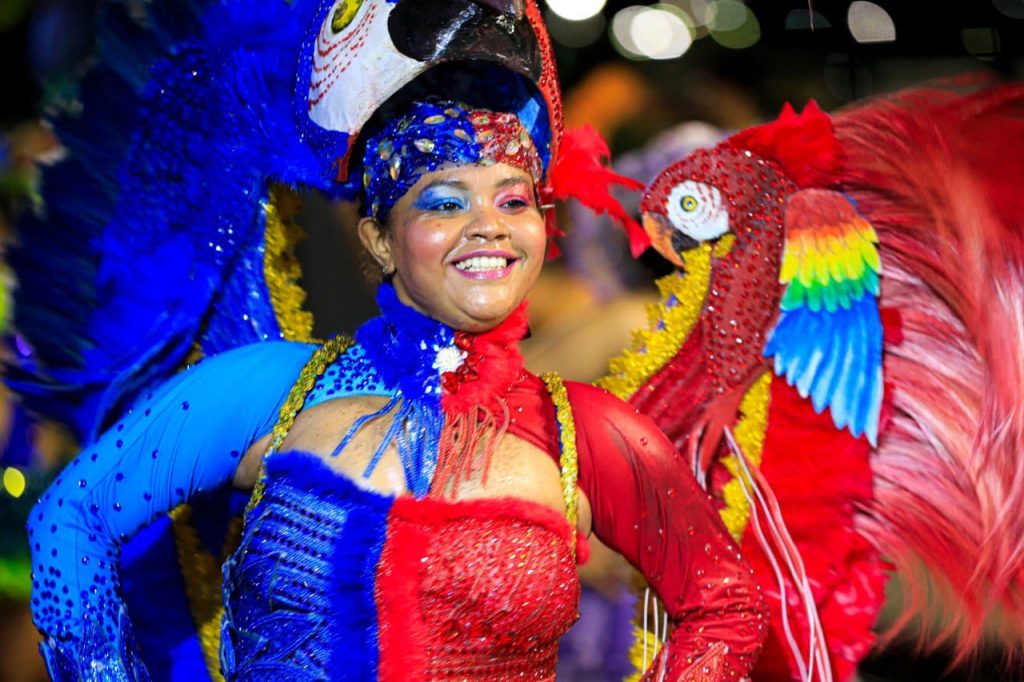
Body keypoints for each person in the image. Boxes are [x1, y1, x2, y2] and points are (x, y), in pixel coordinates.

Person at [26, 91, 769, 679]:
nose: (490, 227)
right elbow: (70, 520)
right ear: (379, 237)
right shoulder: (272, 389)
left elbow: (726, 603)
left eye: (514, 201)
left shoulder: (588, 430)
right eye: (446, 202)